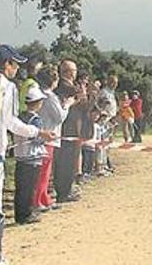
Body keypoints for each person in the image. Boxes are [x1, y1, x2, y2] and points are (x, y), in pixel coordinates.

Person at [0, 45, 51, 265]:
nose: (17, 69)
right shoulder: (8, 87)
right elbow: (10, 122)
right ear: (7, 64)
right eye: (15, 64)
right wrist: (37, 132)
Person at [34, 67, 69, 211]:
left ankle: (43, 197)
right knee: (44, 172)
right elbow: (59, 117)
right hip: (49, 136)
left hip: (42, 135)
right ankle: (38, 201)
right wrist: (67, 105)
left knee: (44, 172)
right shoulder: (50, 96)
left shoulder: (39, 93)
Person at [13, 86, 48, 225]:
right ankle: (27, 213)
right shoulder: (36, 119)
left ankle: (19, 213)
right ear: (38, 103)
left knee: (21, 188)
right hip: (33, 157)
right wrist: (46, 137)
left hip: (20, 156)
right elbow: (37, 138)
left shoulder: (19, 117)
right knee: (30, 188)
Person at [54, 59, 83, 203]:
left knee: (69, 162)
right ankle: (64, 192)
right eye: (75, 71)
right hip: (68, 128)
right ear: (69, 72)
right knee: (66, 162)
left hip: (72, 127)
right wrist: (82, 94)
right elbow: (83, 102)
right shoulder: (65, 86)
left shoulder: (68, 86)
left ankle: (65, 189)